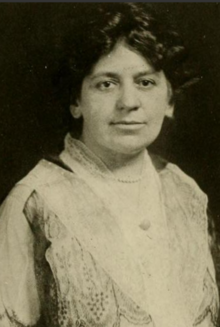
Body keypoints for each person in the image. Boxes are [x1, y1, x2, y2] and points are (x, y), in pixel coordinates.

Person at [0, 3, 219, 327]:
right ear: (76, 101)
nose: (128, 102)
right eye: (107, 83)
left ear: (169, 100)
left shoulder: (185, 193)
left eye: (145, 82)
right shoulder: (35, 201)